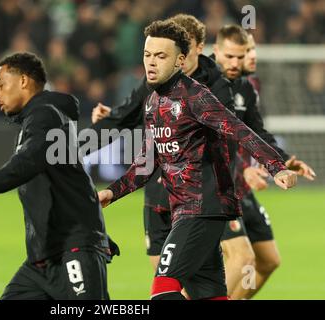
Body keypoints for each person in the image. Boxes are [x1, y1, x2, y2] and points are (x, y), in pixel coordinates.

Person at [98, 19, 297, 300]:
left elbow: (238, 128)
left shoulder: (195, 96)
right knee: (211, 296)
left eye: (161, 55)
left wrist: (276, 166)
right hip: (185, 211)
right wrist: (111, 192)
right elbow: (146, 164)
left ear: (180, 59)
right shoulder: (154, 102)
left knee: (163, 289)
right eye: (147, 55)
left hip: (203, 209)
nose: (151, 62)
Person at [0, 52, 118, 300]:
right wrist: (96, 231)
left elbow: (21, 168)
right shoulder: (41, 119)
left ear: (23, 81)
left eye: (0, 85)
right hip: (43, 260)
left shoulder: (44, 116)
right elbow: (70, 181)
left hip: (72, 249)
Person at [89, 14, 235, 272]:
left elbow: (232, 136)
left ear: (195, 49)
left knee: (170, 282)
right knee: (184, 284)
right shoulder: (152, 86)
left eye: (166, 53)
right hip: (158, 197)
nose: (156, 60)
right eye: (150, 54)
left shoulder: (213, 88)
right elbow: (127, 118)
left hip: (198, 199)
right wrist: (79, 144)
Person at [213, 26, 316, 299]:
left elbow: (257, 132)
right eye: (232, 55)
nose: (240, 61)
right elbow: (207, 143)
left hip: (240, 186)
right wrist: (245, 170)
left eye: (244, 53)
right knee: (240, 259)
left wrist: (282, 162)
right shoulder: (205, 87)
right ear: (216, 52)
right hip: (212, 187)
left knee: (268, 260)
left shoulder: (245, 89)